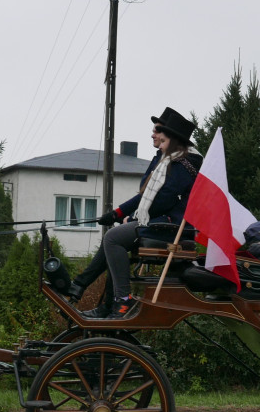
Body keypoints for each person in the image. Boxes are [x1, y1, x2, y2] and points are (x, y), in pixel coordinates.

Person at [68, 107, 202, 319]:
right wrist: (118, 214)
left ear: (174, 138)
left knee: (113, 238)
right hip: (159, 222)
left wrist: (129, 215)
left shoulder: (183, 164)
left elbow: (163, 199)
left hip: (171, 228)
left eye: (158, 130)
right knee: (115, 238)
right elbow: (146, 195)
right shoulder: (165, 160)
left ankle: (122, 300)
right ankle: (88, 293)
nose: (153, 134)